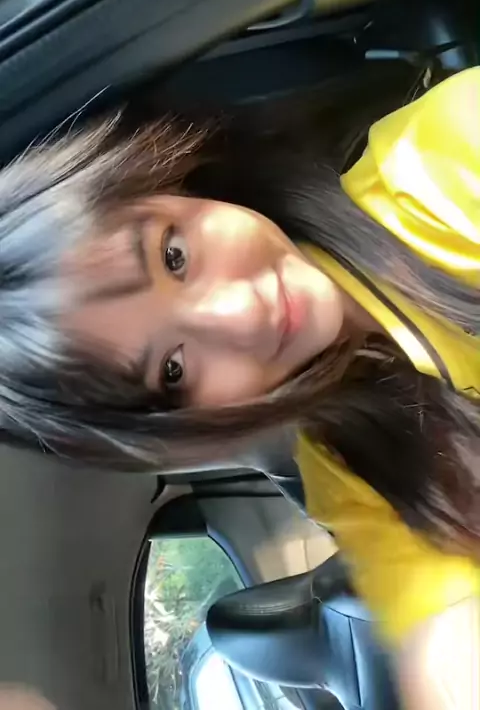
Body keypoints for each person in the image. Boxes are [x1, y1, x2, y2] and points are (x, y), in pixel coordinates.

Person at [1, 67, 480, 708]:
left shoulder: (446, 159)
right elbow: (447, 644)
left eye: (174, 256)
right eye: (173, 370)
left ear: (179, 181)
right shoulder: (348, 473)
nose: (240, 313)